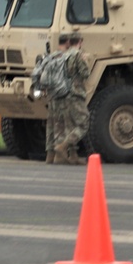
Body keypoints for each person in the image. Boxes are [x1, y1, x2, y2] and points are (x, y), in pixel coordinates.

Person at [53, 32, 91, 166]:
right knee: (83, 123)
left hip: (64, 93)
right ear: (80, 41)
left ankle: (72, 156)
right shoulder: (78, 55)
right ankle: (63, 146)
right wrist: (86, 61)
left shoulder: (64, 55)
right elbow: (85, 74)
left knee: (70, 125)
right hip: (76, 92)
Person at [41, 33, 71, 165]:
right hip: (61, 94)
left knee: (51, 124)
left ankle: (50, 154)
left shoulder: (50, 57)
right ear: (68, 42)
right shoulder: (64, 58)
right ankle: (60, 156)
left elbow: (38, 74)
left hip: (51, 94)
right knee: (60, 124)